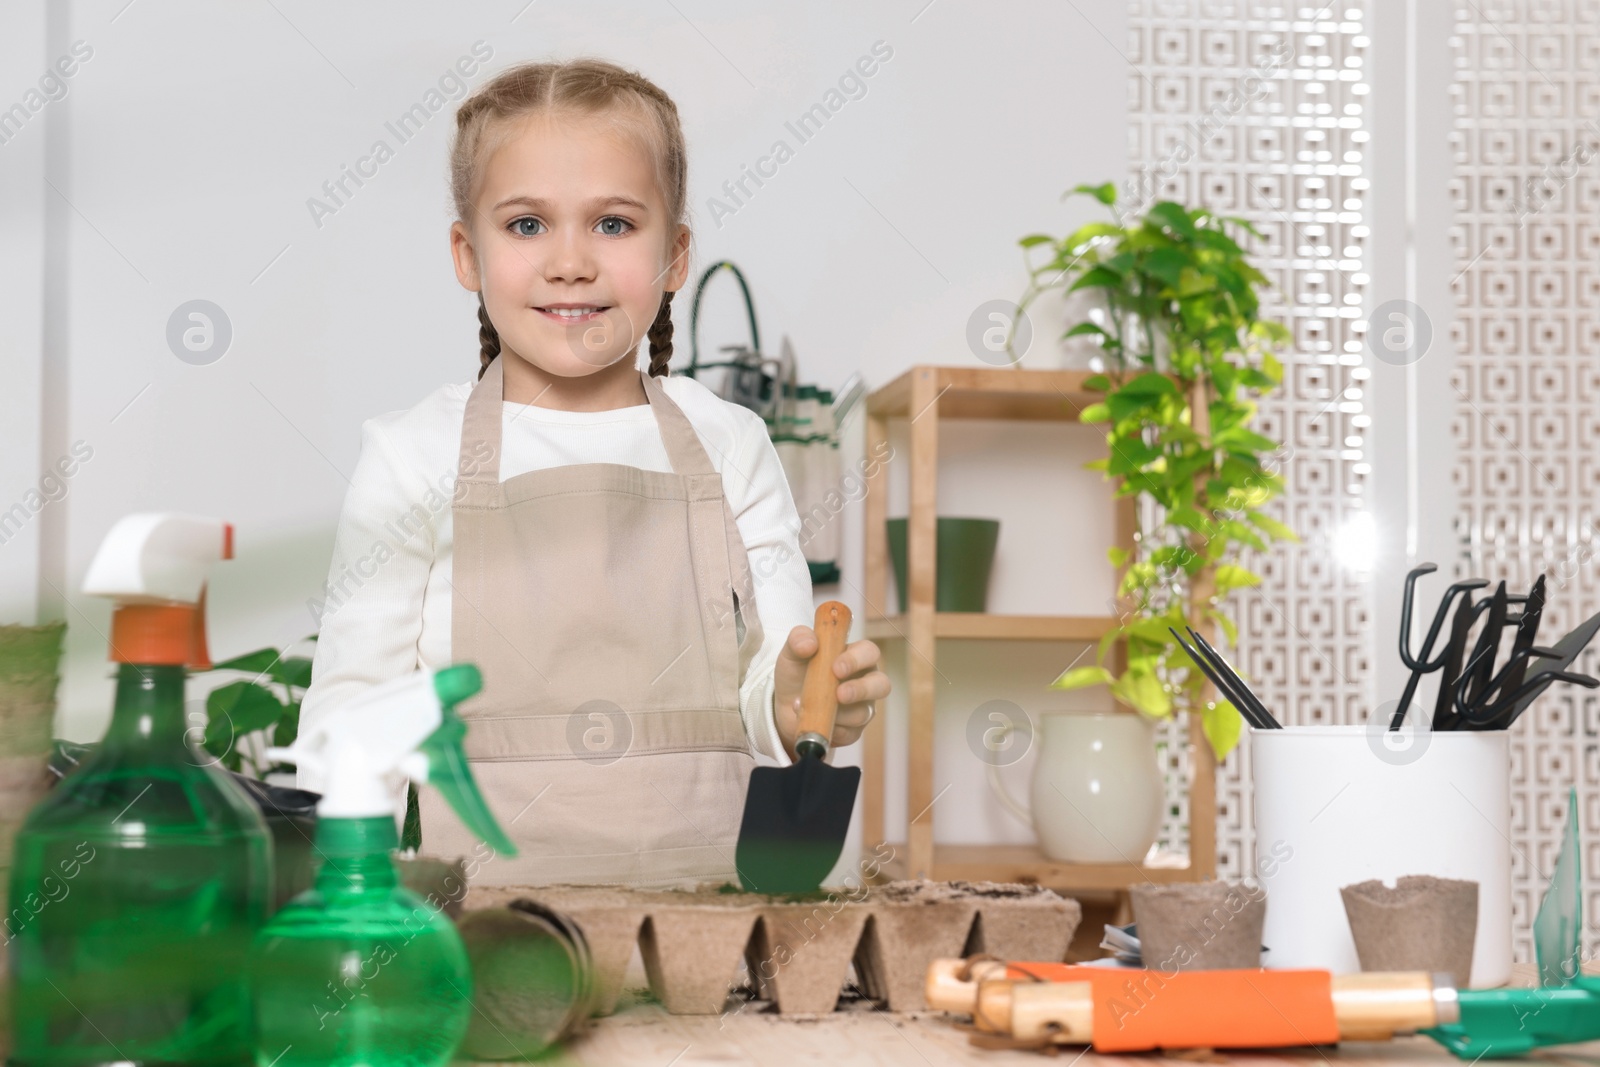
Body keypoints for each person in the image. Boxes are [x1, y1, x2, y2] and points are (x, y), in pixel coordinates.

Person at [296, 57, 890, 887]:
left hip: (709, 947)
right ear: (467, 254)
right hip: (485, 955)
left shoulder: (730, 444)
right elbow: (353, 721)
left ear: (675, 255)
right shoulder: (411, 455)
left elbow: (766, 689)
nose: (569, 261)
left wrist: (793, 704)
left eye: (613, 224)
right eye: (527, 224)